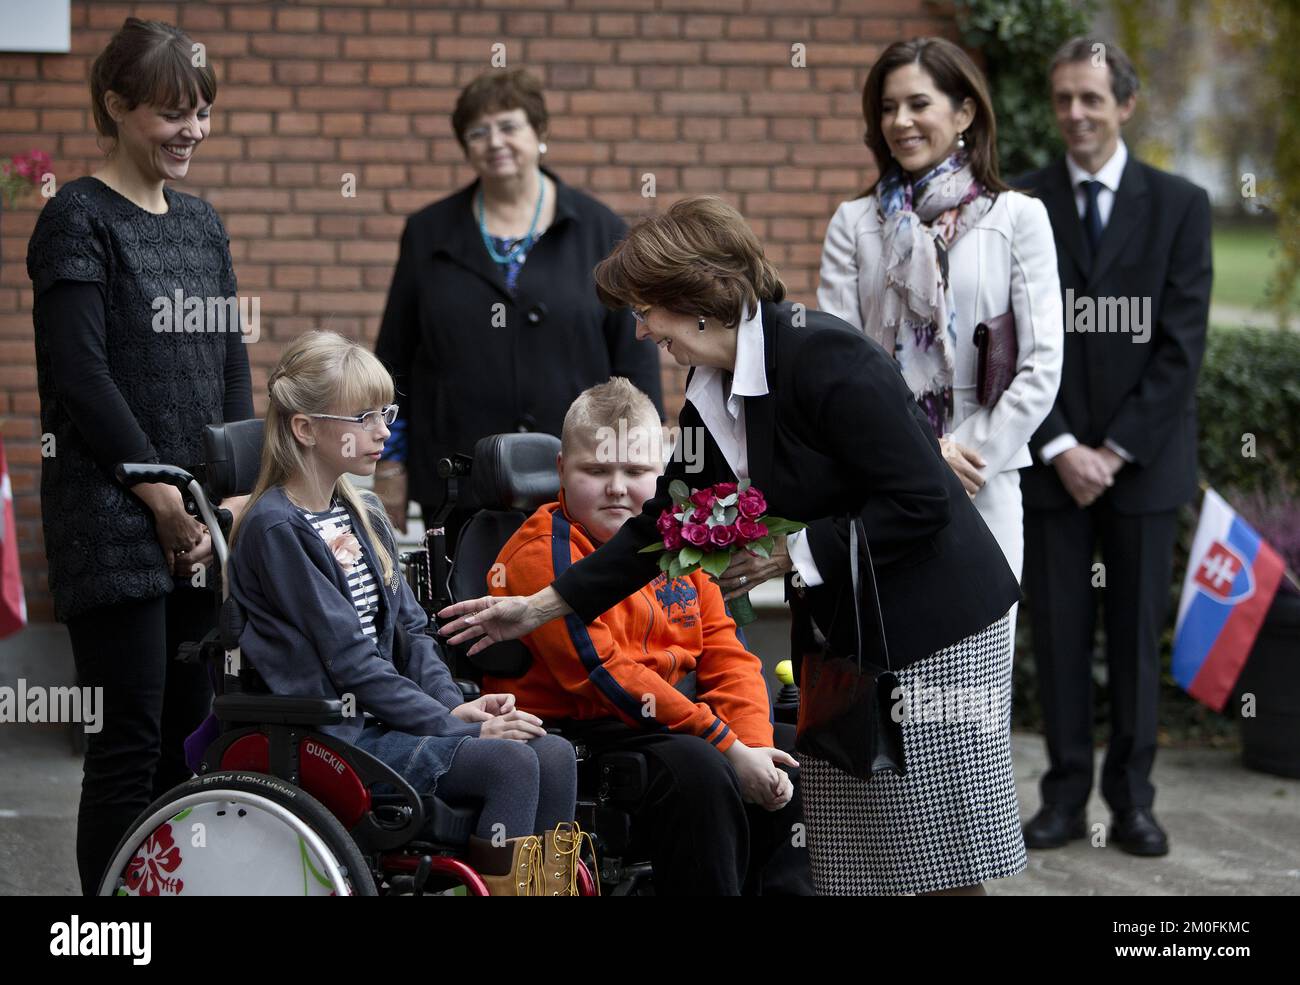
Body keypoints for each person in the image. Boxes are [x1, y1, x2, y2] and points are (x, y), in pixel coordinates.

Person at [440, 196, 1025, 896]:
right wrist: (538, 607)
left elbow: (924, 500)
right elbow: (664, 527)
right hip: (853, 630)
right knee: (870, 856)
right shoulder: (711, 391)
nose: (641, 327)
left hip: (936, 622)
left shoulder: (825, 354)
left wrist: (790, 554)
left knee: (933, 852)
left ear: (697, 298)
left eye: (647, 307)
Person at [26, 17, 253, 895]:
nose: (192, 131)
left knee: (186, 744)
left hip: (197, 515)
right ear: (116, 106)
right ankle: (110, 931)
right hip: (112, 517)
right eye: (172, 113)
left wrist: (222, 495)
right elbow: (81, 374)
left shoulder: (202, 225)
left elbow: (231, 362)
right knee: (127, 741)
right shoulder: (77, 217)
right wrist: (158, 490)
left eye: (201, 112)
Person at [228, 331, 579, 896]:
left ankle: (545, 892)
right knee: (508, 764)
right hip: (335, 733)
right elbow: (351, 661)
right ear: (305, 428)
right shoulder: (276, 528)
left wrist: (452, 705)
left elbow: (414, 630)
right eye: (362, 417)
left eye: (385, 413)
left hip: (388, 719)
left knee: (554, 753)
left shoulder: (360, 509)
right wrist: (453, 724)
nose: (383, 431)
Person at [485, 376, 804, 895]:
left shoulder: (677, 547)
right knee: (700, 768)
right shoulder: (540, 554)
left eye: (635, 471)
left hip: (673, 720)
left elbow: (729, 655)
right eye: (595, 470)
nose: (616, 487)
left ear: (663, 473)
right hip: (583, 730)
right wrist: (723, 744)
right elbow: (604, 675)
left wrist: (754, 745)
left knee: (794, 753)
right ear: (561, 470)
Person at [1014, 37, 1213, 857]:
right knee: (1058, 638)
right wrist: (1060, 443)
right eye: (1064, 98)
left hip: (1142, 469)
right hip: (1052, 463)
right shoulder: (1021, 204)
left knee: (1135, 642)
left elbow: (1180, 347)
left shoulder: (1180, 205)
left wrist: (1115, 450)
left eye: (1092, 98)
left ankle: (1132, 802)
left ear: (1125, 104)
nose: (1075, 113)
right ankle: (1063, 799)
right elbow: (1010, 337)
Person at [818, 37, 1063, 623]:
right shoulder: (853, 224)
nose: (899, 121)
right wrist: (917, 461)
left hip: (985, 480)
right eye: (886, 107)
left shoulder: (1018, 218)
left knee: (975, 689)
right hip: (881, 489)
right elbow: (836, 373)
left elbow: (1041, 363)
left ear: (965, 112)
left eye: (917, 104)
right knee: (892, 686)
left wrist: (964, 452)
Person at [372, 68, 664, 547]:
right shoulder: (428, 232)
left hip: (580, 479)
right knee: (462, 612)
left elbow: (635, 360)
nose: (495, 142)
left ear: (540, 133)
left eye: (509, 126)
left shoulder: (597, 228)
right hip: (457, 478)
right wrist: (389, 466)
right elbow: (393, 361)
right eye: (478, 132)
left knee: (572, 607)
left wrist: (635, 469)